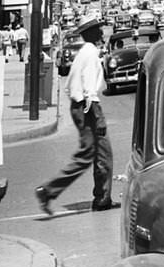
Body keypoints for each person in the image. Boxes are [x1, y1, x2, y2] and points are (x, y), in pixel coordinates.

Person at [34, 13, 115, 214]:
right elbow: (89, 89)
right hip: (86, 108)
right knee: (90, 155)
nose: (102, 31)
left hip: (81, 106)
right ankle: (49, 190)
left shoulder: (85, 51)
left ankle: (102, 198)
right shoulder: (90, 53)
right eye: (98, 28)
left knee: (101, 154)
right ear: (92, 32)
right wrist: (99, 117)